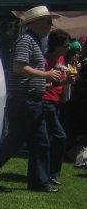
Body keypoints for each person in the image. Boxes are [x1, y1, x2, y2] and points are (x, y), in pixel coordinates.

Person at [0, 6, 64, 193]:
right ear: (36, 23)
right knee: (14, 142)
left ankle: (39, 183)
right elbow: (19, 67)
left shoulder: (33, 41)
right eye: (48, 22)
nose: (51, 26)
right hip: (24, 101)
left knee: (41, 142)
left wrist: (47, 81)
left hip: (33, 100)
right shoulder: (26, 41)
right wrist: (46, 74)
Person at [42, 29, 72, 186]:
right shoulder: (45, 61)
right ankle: (51, 173)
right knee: (58, 137)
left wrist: (71, 79)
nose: (68, 48)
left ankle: (49, 172)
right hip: (47, 101)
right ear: (57, 46)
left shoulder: (60, 60)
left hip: (57, 101)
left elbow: (63, 81)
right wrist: (59, 83)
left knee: (50, 138)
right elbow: (41, 85)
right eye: (66, 45)